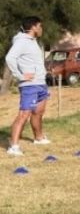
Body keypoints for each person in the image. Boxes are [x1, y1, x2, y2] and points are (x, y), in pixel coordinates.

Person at [5, 16, 50, 156]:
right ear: (33, 27)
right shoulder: (22, 42)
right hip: (30, 85)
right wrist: (20, 76)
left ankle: (39, 138)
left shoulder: (33, 41)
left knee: (39, 112)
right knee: (24, 114)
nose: (41, 29)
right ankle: (13, 147)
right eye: (40, 26)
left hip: (40, 83)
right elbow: (9, 58)